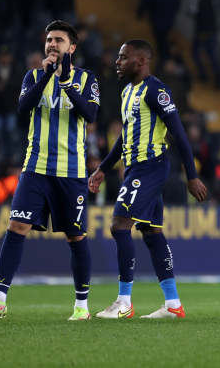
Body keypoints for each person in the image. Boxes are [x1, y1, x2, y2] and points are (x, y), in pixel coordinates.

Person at [0, 21, 100, 321]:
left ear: (72, 47)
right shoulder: (33, 76)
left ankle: (81, 306)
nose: (52, 44)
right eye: (49, 39)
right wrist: (47, 76)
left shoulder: (87, 78)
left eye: (58, 40)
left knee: (75, 237)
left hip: (71, 171)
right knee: (16, 227)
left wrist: (66, 83)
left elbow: (90, 114)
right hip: (35, 168)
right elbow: (23, 108)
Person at [88, 39, 207, 319]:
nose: (117, 62)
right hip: (135, 168)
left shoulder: (156, 91)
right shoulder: (127, 91)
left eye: (123, 57)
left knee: (119, 226)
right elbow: (125, 135)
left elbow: (179, 134)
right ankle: (173, 304)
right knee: (151, 232)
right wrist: (103, 168)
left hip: (149, 166)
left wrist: (191, 176)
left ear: (140, 61)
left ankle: (124, 302)